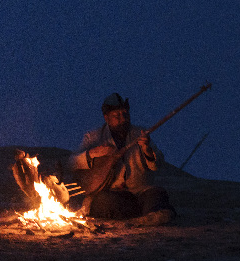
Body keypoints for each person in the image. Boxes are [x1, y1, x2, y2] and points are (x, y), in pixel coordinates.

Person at [69, 92, 176, 225]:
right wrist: (92, 153)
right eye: (117, 116)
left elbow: (157, 165)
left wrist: (147, 149)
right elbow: (72, 162)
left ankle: (147, 215)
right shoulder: (93, 137)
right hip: (112, 193)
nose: (123, 119)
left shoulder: (140, 133)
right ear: (106, 118)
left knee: (157, 195)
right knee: (103, 201)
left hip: (140, 191)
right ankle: (145, 215)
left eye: (125, 114)